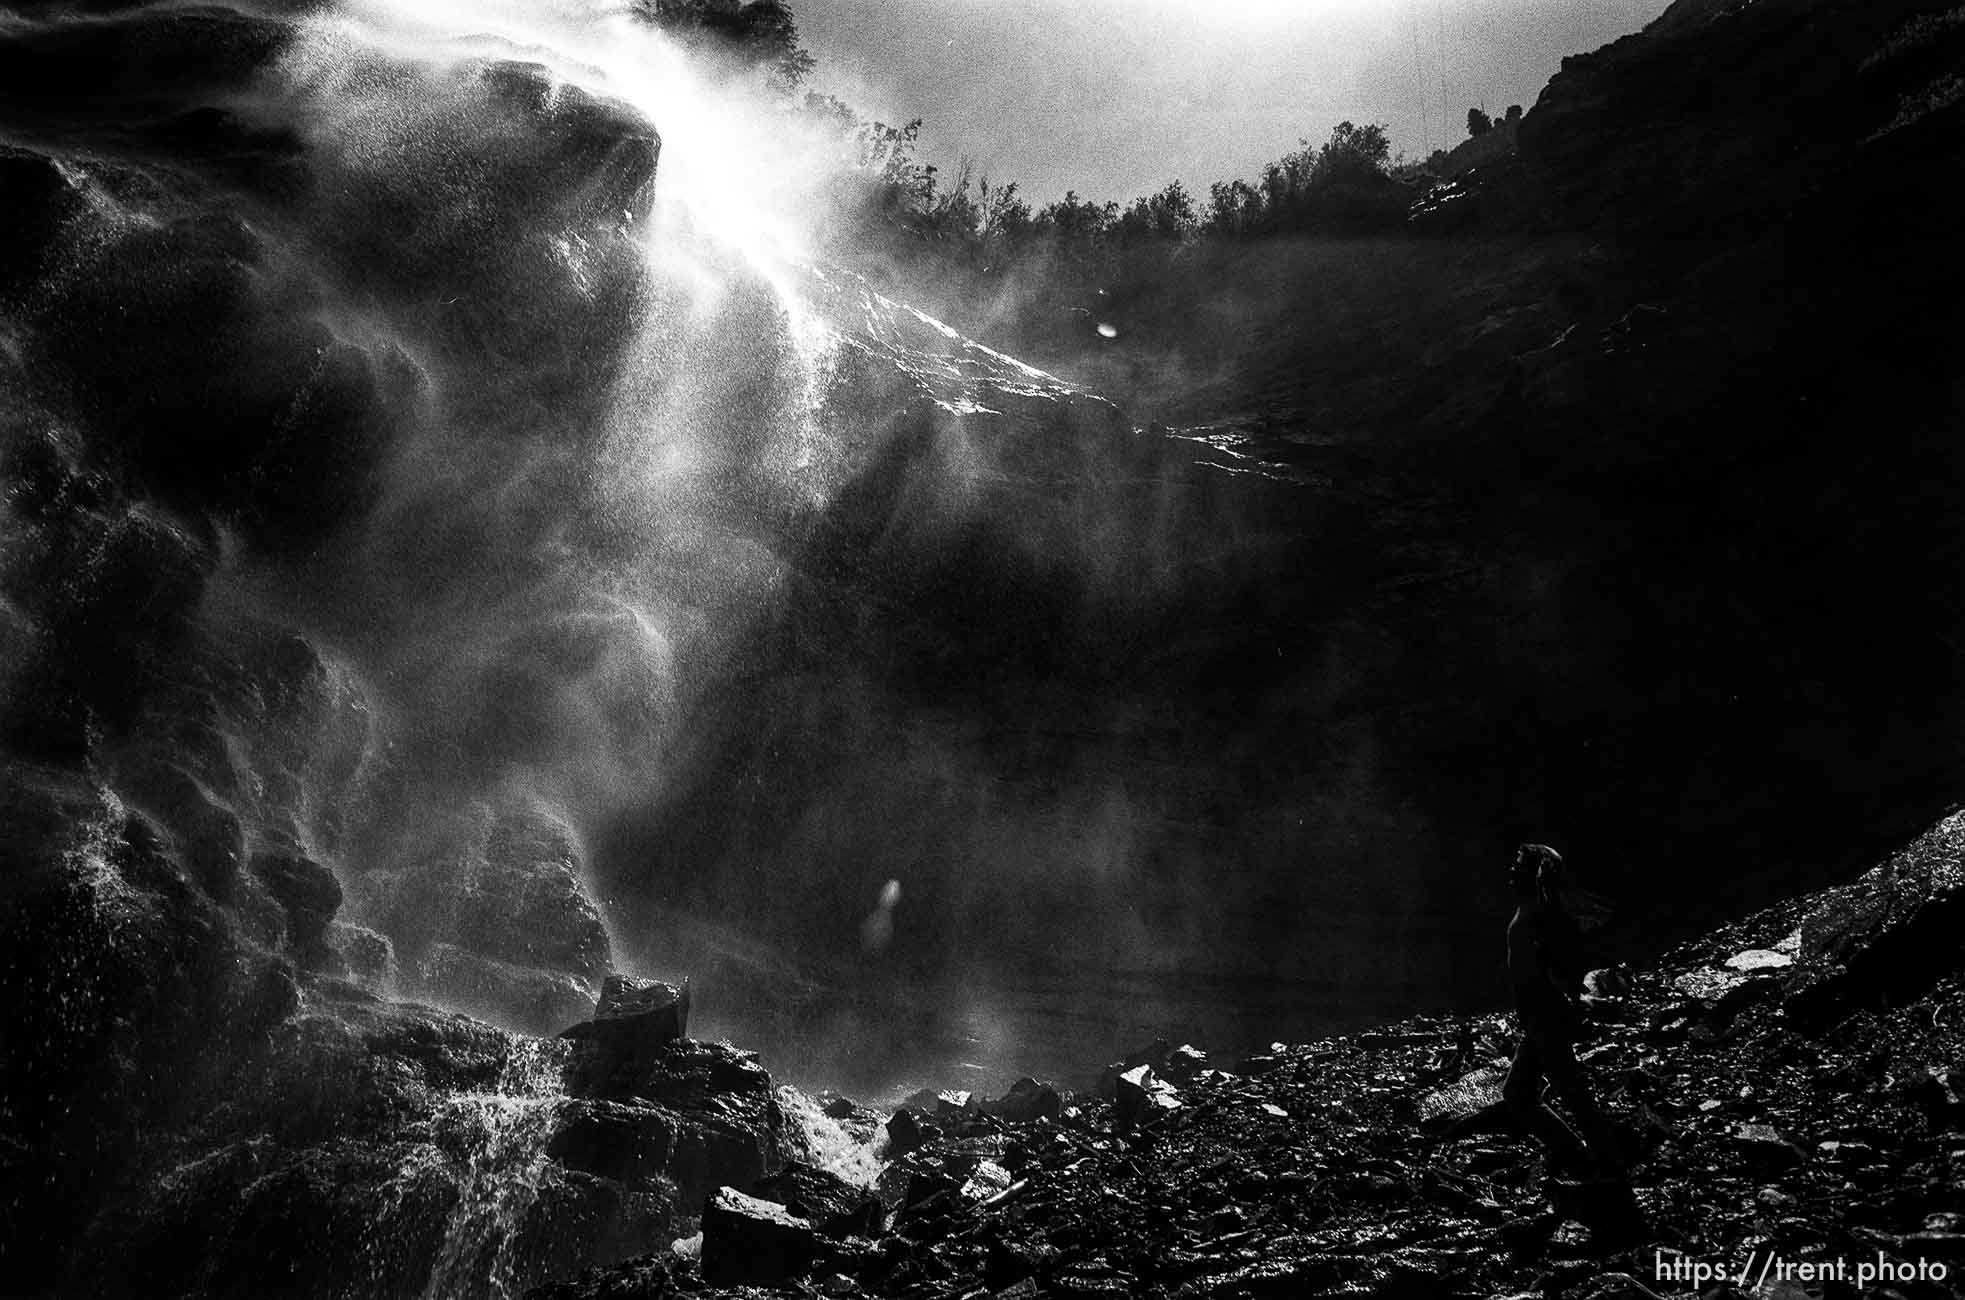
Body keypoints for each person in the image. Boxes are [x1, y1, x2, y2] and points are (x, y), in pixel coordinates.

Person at [1503, 843, 1623, 1178]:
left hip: (1545, 1020)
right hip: (1540, 1020)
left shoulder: (1540, 916)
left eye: (1518, 866)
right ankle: (1590, 1158)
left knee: (1550, 1094)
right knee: (1529, 1093)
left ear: (1533, 874)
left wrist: (1557, 1007)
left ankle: (1598, 1164)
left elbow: (1557, 970)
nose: (1511, 872)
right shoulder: (1534, 911)